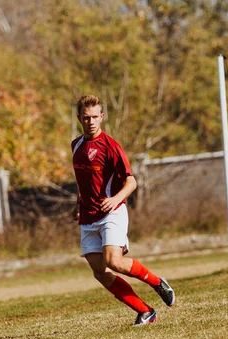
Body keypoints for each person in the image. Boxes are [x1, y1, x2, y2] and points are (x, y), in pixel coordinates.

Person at [71, 94, 175, 326]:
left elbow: (131, 182)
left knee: (114, 262)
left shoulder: (111, 147)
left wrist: (115, 198)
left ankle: (157, 282)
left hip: (112, 211)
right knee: (99, 271)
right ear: (79, 118)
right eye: (86, 118)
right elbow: (85, 181)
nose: (91, 122)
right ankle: (146, 311)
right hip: (88, 216)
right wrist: (78, 204)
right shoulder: (76, 145)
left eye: (95, 117)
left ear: (102, 117)